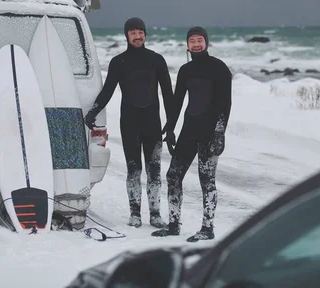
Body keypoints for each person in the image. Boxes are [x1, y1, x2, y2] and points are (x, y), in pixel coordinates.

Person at [84, 17, 173, 228]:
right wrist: (93, 111)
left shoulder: (157, 60)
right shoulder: (119, 62)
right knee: (133, 169)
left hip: (153, 123)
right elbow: (108, 90)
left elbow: (168, 94)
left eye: (141, 32)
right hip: (130, 125)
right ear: (127, 36)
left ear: (145, 34)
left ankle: (155, 214)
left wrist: (171, 125)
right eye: (133, 33)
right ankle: (135, 213)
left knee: (154, 169)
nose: (138, 36)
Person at [152, 26, 232, 242]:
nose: (196, 44)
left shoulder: (219, 68)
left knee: (207, 180)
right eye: (192, 41)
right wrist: (170, 129)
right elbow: (177, 102)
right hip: (189, 130)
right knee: (173, 175)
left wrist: (219, 133)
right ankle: (174, 224)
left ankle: (208, 228)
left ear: (206, 42)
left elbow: (225, 104)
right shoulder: (185, 71)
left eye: (200, 40)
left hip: (209, 133)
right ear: (187, 44)